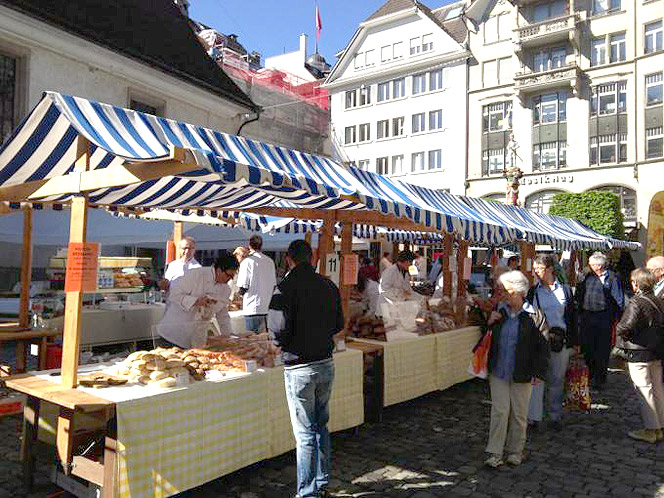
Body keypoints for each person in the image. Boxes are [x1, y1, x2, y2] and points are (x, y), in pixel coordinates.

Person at [268, 240, 344, 498]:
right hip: (325, 362)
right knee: (321, 425)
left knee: (305, 434)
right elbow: (338, 323)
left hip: (300, 366)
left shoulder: (285, 287)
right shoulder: (328, 285)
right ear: (311, 258)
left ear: (289, 259)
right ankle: (321, 483)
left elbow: (276, 329)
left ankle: (308, 493)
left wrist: (282, 343)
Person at [484, 270, 549, 468]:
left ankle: (515, 451)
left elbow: (542, 347)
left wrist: (539, 372)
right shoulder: (499, 311)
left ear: (518, 291)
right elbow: (485, 339)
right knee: (499, 412)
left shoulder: (535, 315)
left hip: (522, 372)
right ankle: (495, 452)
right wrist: (488, 323)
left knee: (520, 414)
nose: (501, 293)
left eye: (506, 290)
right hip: (499, 370)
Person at [527, 254, 578, 431]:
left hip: (559, 339)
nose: (536, 272)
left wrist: (574, 341)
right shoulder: (534, 291)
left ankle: (555, 415)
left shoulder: (565, 290)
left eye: (539, 268)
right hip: (539, 340)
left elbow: (572, 316)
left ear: (549, 269)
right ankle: (534, 416)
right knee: (538, 378)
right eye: (535, 269)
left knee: (556, 379)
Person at [615, 268, 664, 444]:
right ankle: (660, 427)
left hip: (639, 351)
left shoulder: (636, 301)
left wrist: (621, 333)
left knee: (644, 389)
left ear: (636, 283)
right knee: (657, 389)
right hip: (656, 350)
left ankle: (651, 429)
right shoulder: (658, 300)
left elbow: (625, 326)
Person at [156, 253, 238, 349]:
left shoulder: (225, 290)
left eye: (232, 277)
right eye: (228, 276)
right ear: (219, 269)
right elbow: (173, 294)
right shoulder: (196, 274)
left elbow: (222, 315)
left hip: (197, 338)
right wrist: (195, 301)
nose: (229, 280)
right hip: (173, 334)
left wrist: (229, 337)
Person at [576, 252, 624, 389]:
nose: (589, 267)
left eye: (591, 264)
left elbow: (619, 300)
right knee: (587, 348)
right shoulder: (587, 277)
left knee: (602, 350)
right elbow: (580, 294)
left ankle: (600, 379)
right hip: (587, 316)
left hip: (603, 317)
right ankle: (590, 375)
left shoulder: (612, 278)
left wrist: (616, 319)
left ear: (599, 266)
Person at [237, 235, 277, 333]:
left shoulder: (247, 261)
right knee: (265, 342)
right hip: (267, 308)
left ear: (249, 245)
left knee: (252, 342)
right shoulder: (270, 261)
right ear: (261, 245)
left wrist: (238, 295)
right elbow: (274, 286)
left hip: (252, 308)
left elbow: (243, 286)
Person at [377, 250, 418, 315]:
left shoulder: (405, 273)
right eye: (410, 262)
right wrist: (399, 293)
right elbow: (383, 290)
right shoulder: (390, 271)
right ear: (405, 261)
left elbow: (408, 290)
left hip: (397, 307)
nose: (411, 265)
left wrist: (420, 298)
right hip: (386, 307)